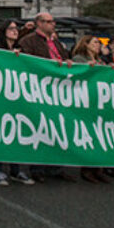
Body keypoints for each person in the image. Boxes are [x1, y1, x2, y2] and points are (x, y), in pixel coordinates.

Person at [18, 12, 76, 183]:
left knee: (58, 128)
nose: (53, 25)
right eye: (49, 22)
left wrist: (68, 63)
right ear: (39, 23)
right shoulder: (28, 41)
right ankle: (38, 168)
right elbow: (26, 62)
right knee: (40, 128)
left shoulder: (56, 42)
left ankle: (56, 167)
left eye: (53, 21)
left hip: (58, 92)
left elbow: (65, 59)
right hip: (40, 91)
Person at [0, 20, 34, 186]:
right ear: (4, 31)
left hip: (16, 97)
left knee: (16, 134)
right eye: (11, 28)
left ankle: (15, 170)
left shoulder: (21, 50)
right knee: (1, 133)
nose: (15, 31)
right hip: (0, 97)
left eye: (16, 29)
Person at [70, 36, 113, 184]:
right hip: (87, 101)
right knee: (90, 134)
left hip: (100, 102)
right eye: (95, 42)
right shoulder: (79, 59)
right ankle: (87, 168)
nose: (98, 45)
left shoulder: (101, 60)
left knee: (101, 135)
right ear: (86, 44)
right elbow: (77, 75)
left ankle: (98, 168)